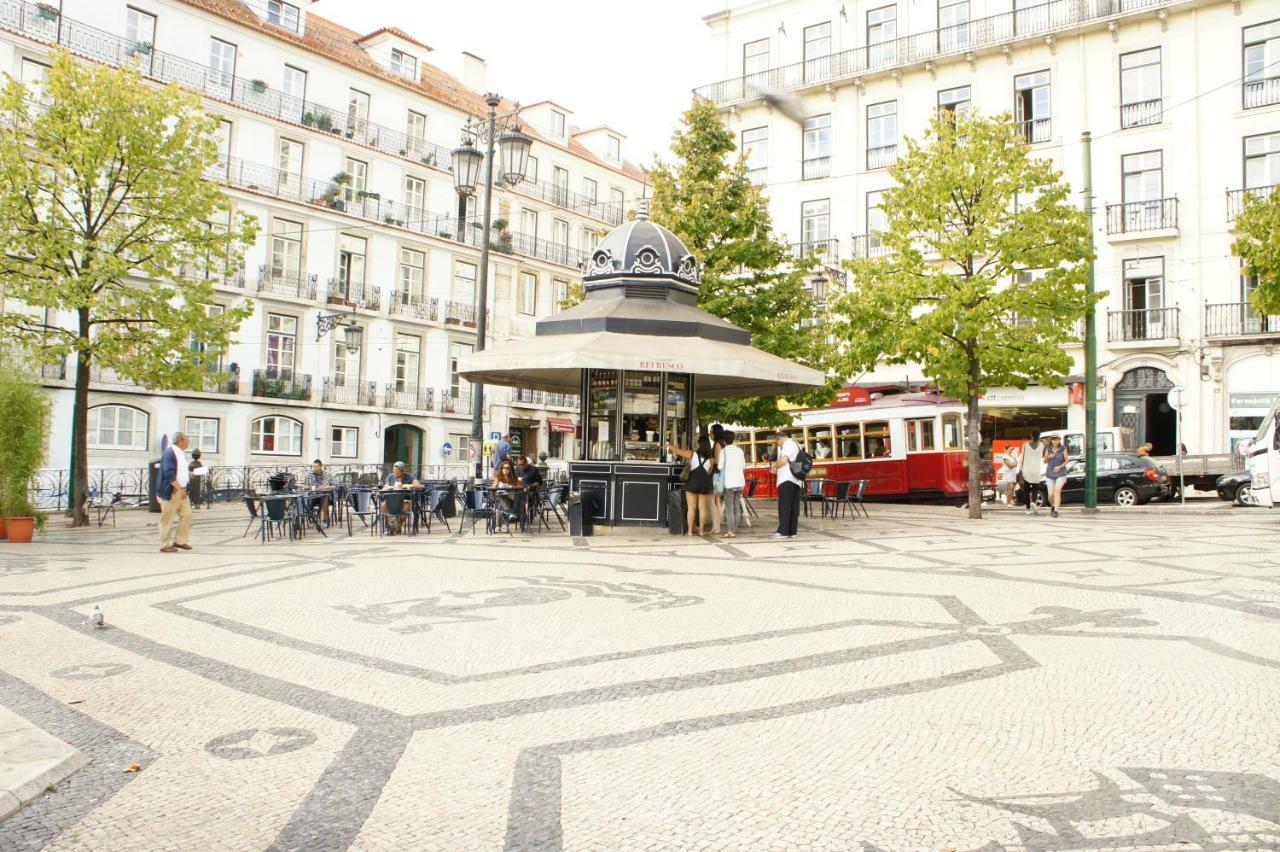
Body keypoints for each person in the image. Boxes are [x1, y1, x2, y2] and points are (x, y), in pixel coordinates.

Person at [668, 436, 718, 536]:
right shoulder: (711, 460)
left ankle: (690, 531)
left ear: (699, 444)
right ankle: (701, 531)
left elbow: (679, 451)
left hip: (692, 483)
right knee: (702, 508)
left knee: (691, 508)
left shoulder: (692, 454)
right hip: (704, 484)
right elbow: (709, 472)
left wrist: (669, 446)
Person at [156, 431, 193, 553]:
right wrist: (179, 489)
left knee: (187, 514)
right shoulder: (170, 453)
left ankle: (180, 541)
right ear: (181, 440)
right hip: (171, 491)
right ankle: (165, 544)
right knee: (168, 518)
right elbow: (169, 473)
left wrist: (188, 475)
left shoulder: (180, 453)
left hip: (180, 490)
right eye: (187, 439)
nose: (188, 441)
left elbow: (179, 471)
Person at [770, 429, 802, 540]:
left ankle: (783, 532)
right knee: (793, 507)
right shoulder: (796, 444)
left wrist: (774, 467)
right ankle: (792, 531)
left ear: (780, 438)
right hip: (796, 479)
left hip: (786, 480)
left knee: (785, 506)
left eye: (777, 442)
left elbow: (783, 460)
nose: (778, 445)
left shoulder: (787, 444)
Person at [718, 429, 747, 538]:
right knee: (736, 506)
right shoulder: (739, 451)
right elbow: (743, 466)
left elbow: (720, 467)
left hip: (729, 483)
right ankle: (734, 529)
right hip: (739, 482)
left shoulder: (723, 451)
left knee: (729, 508)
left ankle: (730, 531)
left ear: (724, 441)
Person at [1017, 432, 1047, 515]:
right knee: (1035, 489)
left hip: (1026, 470)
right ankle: (1033, 503)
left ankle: (1027, 508)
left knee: (1027, 490)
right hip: (1036, 470)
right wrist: (1042, 441)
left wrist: (1019, 469)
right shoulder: (1041, 445)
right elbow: (1045, 443)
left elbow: (1021, 457)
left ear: (1031, 436)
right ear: (1039, 436)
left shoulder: (1025, 445)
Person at [1043, 434, 1070, 518]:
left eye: (1056, 439)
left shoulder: (1063, 448)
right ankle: (1053, 506)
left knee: (1057, 490)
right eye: (1053, 439)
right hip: (1050, 474)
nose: (1055, 441)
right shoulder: (1048, 449)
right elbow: (1045, 461)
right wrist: (1048, 457)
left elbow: (1067, 460)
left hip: (1061, 474)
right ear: (1051, 440)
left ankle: (1056, 510)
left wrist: (1060, 467)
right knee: (1051, 494)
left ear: (1059, 440)